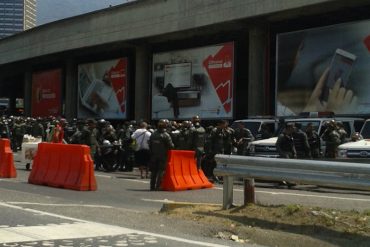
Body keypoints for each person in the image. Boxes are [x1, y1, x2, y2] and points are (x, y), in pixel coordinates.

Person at [149, 119, 174, 191]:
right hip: (163, 156)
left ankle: (152, 186)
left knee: (154, 171)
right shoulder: (166, 135)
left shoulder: (153, 134)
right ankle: (158, 186)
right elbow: (171, 146)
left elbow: (150, 145)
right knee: (161, 171)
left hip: (154, 155)